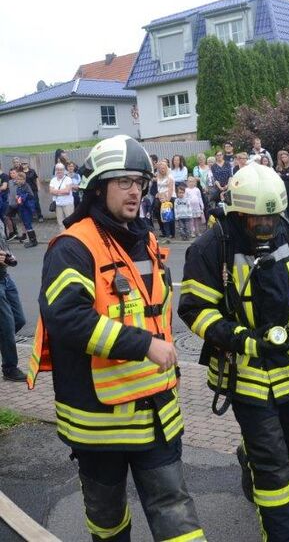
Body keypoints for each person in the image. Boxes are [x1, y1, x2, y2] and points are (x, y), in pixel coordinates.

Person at [28, 135, 205, 541]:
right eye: (123, 181)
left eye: (139, 182)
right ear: (98, 187)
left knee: (178, 517)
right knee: (107, 521)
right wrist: (143, 345)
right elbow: (68, 318)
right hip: (99, 424)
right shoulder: (73, 247)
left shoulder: (145, 240)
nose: (135, 190)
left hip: (157, 414)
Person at [178, 163, 289, 542]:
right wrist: (244, 339)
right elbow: (196, 311)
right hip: (243, 373)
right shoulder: (211, 248)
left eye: (272, 217)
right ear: (239, 213)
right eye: (259, 220)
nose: (267, 226)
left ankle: (248, 455)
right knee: (274, 466)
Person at [0, 220, 27, 381]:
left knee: (19, 319)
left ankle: (5, 343)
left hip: (5, 277)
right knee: (7, 326)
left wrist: (9, 254)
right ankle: (10, 368)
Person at [14, 171, 38, 247]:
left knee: (28, 224)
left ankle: (33, 241)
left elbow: (31, 195)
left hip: (27, 208)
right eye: (18, 179)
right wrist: (17, 197)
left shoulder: (26, 186)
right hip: (22, 207)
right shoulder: (19, 186)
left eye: (21, 179)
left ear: (24, 179)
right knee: (25, 224)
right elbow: (18, 195)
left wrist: (21, 197)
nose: (19, 181)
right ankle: (32, 240)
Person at [49, 162, 74, 232]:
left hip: (67, 204)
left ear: (64, 170)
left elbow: (67, 191)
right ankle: (63, 237)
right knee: (60, 223)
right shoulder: (53, 180)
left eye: (61, 169)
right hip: (57, 204)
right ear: (55, 171)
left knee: (70, 222)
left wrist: (56, 191)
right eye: (57, 169)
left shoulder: (68, 179)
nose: (59, 171)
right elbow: (51, 191)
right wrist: (62, 191)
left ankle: (71, 236)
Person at [155, 159, 175, 241]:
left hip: (169, 197)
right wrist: (158, 195)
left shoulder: (170, 177)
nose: (161, 170)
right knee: (159, 213)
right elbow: (159, 188)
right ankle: (164, 232)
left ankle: (171, 233)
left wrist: (167, 201)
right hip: (160, 197)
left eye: (163, 168)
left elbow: (170, 190)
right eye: (160, 168)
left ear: (166, 168)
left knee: (169, 215)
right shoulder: (158, 176)